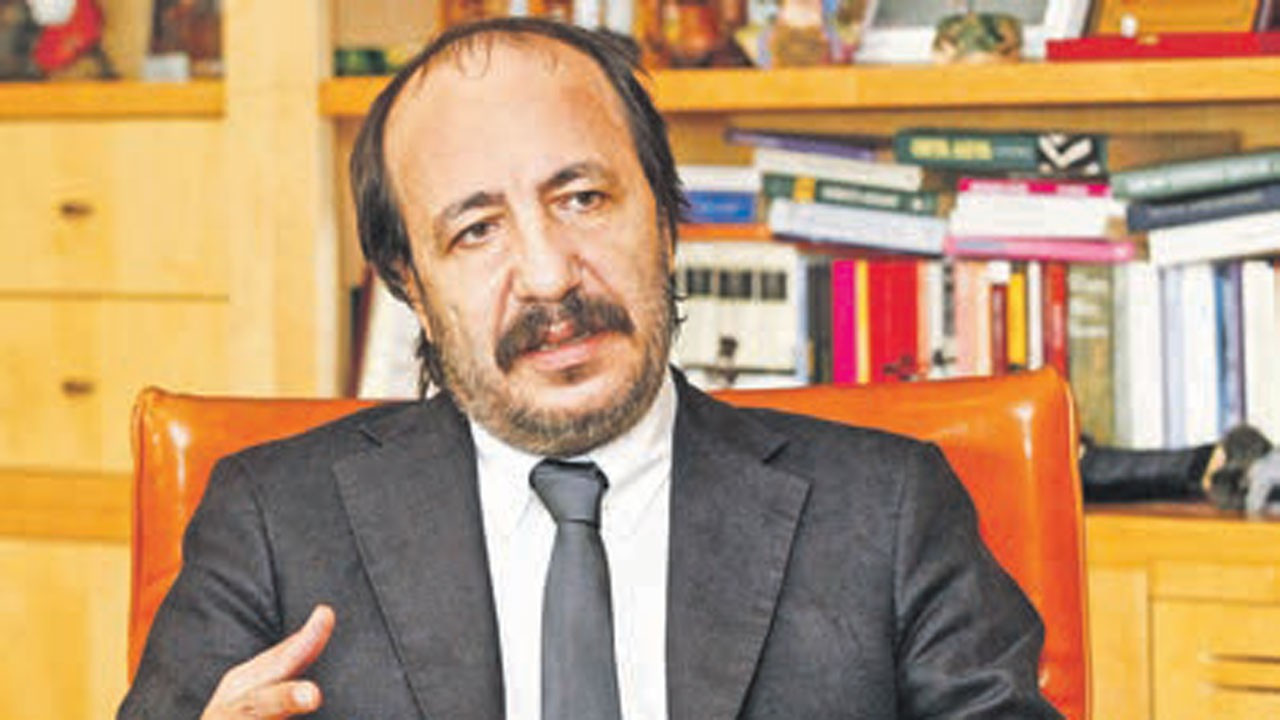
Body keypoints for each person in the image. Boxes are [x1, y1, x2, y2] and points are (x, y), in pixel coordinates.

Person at [120, 17, 1061, 720]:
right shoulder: (272, 524)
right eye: (476, 230)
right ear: (411, 285)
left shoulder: (886, 513)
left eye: (582, 197)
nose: (547, 275)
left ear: (665, 219)